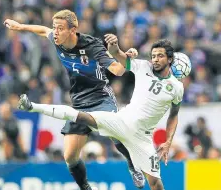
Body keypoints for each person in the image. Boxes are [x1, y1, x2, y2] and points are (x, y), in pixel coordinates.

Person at [18, 37, 184, 190]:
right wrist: (114, 46)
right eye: (153, 55)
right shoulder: (142, 66)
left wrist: (168, 141)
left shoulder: (177, 87)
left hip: (143, 137)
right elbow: (118, 56)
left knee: (155, 183)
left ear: (170, 59)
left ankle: (133, 166)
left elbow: (173, 115)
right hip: (121, 122)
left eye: (160, 56)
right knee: (81, 116)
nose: (155, 59)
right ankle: (32, 106)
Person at [4, 10, 144, 190]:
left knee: (115, 133)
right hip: (78, 102)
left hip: (101, 97)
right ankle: (85, 187)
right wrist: (21, 26)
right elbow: (41, 30)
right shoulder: (57, 40)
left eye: (60, 28)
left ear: (73, 30)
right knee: (70, 156)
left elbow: (117, 70)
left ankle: (133, 165)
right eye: (55, 27)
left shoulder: (92, 45)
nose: (55, 32)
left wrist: (125, 59)